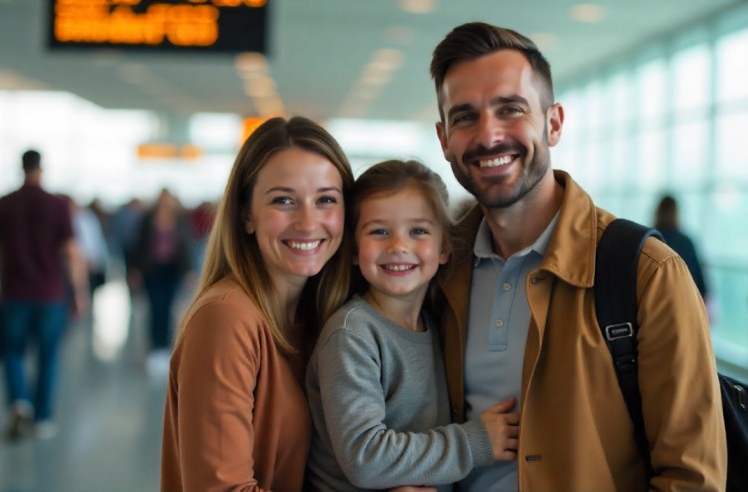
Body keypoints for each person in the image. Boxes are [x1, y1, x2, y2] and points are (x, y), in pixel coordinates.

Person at [429, 22, 726, 490]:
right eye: (465, 117)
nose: (489, 136)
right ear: (444, 139)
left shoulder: (647, 273)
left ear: (553, 123)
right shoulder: (436, 272)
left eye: (510, 109)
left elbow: (693, 478)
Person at [159, 116, 354, 491]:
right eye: (284, 200)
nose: (308, 221)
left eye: (326, 200)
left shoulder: (323, 319)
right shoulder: (226, 318)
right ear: (247, 214)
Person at [306, 160, 519, 491]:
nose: (398, 246)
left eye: (418, 231)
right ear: (352, 249)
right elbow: (365, 458)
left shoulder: (436, 324)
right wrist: (476, 441)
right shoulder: (352, 334)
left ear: (445, 247)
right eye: (379, 231)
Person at [0, 149, 88, 440]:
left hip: (14, 290)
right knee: (48, 354)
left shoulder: (4, 205)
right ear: (41, 169)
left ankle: (19, 400)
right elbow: (70, 252)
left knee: (12, 349)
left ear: (21, 168)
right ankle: (43, 417)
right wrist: (79, 292)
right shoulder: (57, 205)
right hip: (50, 293)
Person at [128, 188, 193, 377]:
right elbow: (138, 245)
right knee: (155, 307)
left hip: (172, 270)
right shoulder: (148, 220)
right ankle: (155, 347)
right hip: (152, 269)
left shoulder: (180, 220)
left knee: (168, 307)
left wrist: (189, 271)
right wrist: (135, 270)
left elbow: (186, 244)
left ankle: (165, 348)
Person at [654, 194, 709, 300]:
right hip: (684, 301)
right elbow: (701, 285)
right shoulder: (686, 242)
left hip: (655, 303)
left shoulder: (649, 241)